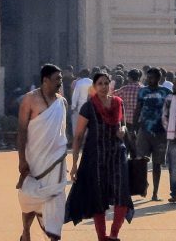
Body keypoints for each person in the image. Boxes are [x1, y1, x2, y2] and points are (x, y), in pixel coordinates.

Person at [66, 71, 133, 241]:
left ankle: (114, 234)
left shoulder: (119, 103)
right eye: (100, 84)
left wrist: (123, 130)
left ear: (111, 85)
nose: (103, 87)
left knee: (122, 196)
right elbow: (78, 136)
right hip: (96, 158)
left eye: (106, 83)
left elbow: (123, 125)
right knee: (98, 198)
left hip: (117, 155)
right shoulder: (88, 107)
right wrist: (74, 164)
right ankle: (102, 237)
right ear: (94, 87)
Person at [17, 64, 68, 241]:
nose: (60, 83)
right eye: (57, 79)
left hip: (56, 161)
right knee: (29, 198)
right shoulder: (29, 100)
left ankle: (53, 236)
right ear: (45, 80)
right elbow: (22, 132)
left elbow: (62, 133)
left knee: (55, 198)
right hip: (35, 160)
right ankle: (26, 231)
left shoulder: (62, 102)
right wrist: (22, 160)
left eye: (61, 79)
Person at [134, 67, 170, 201]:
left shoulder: (166, 92)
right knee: (141, 161)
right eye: (148, 77)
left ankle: (155, 192)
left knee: (157, 164)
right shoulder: (142, 91)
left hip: (160, 132)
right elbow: (138, 109)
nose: (149, 80)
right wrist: (134, 128)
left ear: (158, 78)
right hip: (144, 131)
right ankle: (143, 185)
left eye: (152, 77)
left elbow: (171, 110)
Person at [70, 69, 93, 136]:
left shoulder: (79, 83)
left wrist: (73, 106)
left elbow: (75, 95)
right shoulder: (92, 82)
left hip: (80, 107)